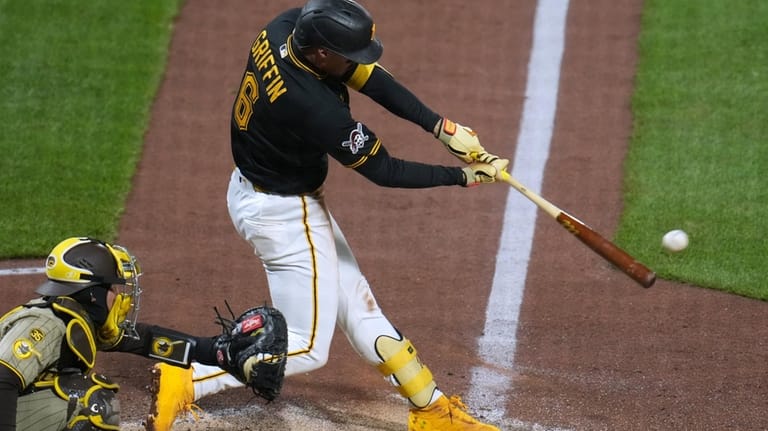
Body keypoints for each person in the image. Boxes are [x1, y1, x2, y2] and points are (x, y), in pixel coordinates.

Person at [147, 0, 508, 430]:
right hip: (285, 215)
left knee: (358, 305)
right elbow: (385, 171)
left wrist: (440, 127)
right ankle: (187, 380)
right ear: (321, 53)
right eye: (348, 54)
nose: (357, 62)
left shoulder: (285, 28)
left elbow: (365, 76)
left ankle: (430, 409)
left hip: (259, 192)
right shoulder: (313, 106)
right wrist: (464, 177)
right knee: (305, 345)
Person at [0, 237, 287, 431]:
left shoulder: (77, 319)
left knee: (78, 392)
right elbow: (2, 379)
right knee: (90, 402)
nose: (119, 296)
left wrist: (215, 352)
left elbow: (146, 340)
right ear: (92, 294)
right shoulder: (46, 323)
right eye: (113, 288)